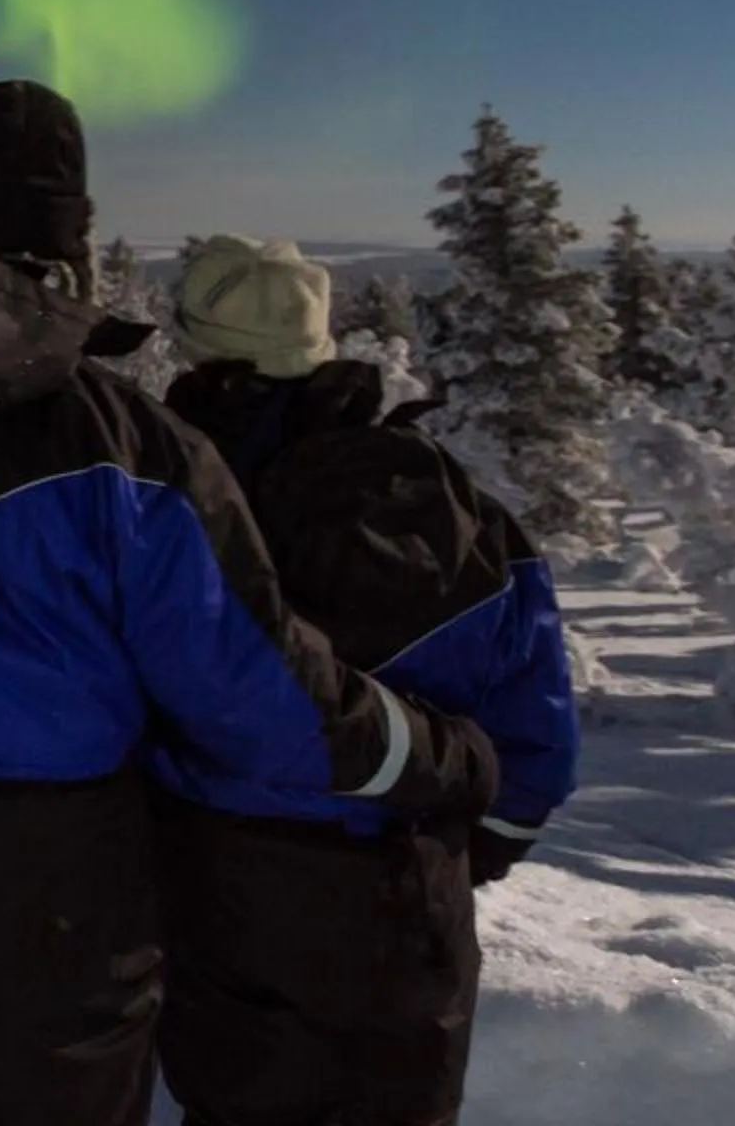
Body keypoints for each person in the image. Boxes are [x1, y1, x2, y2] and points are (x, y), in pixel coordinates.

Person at [0, 83, 498, 1126]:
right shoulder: (133, 449)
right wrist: (429, 754)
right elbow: (255, 695)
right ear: (63, 244)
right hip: (60, 866)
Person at [150, 236, 581, 1126]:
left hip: (234, 896)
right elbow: (536, 731)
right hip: (414, 900)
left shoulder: (177, 508)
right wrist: (462, 852)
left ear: (200, 355)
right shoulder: (458, 506)